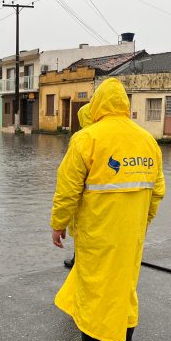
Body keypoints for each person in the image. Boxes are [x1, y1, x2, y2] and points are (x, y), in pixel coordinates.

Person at [50, 78, 165, 341]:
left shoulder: (87, 139)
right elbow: (157, 192)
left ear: (99, 103)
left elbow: (68, 190)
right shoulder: (148, 141)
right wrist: (142, 222)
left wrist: (58, 224)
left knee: (95, 292)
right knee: (125, 290)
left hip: (97, 234)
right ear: (124, 105)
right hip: (132, 235)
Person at [61, 103, 94, 270]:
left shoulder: (81, 138)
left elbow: (69, 182)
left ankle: (78, 260)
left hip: (85, 199)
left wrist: (59, 222)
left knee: (80, 229)